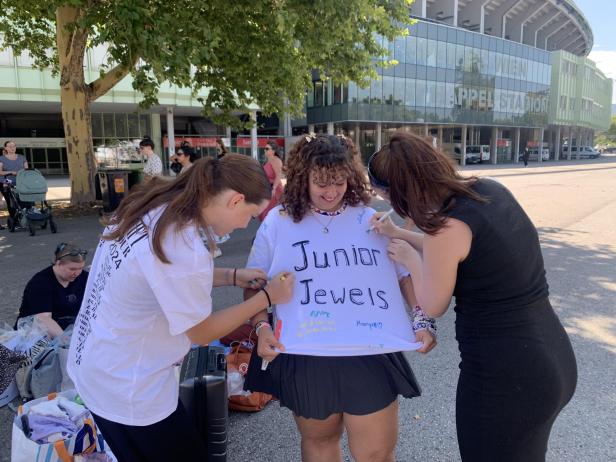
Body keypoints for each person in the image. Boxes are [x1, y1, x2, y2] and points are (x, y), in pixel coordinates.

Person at [66, 154, 295, 461]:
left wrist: (231, 276)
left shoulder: (155, 205)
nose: (245, 225)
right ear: (235, 200)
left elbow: (158, 280)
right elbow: (201, 332)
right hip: (131, 388)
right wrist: (267, 298)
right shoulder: (182, 245)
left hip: (99, 367)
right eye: (250, 215)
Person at [367, 131, 577, 462]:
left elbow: (433, 302)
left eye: (384, 195)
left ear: (401, 192)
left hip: (506, 376)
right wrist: (400, 234)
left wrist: (409, 260)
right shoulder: (487, 191)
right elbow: (461, 250)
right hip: (551, 357)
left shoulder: (444, 226)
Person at [244, 134, 436, 462]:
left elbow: (403, 275)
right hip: (308, 354)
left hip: (370, 351)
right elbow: (254, 283)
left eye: (339, 181)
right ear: (304, 178)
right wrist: (261, 327)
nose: (331, 192)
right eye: (321, 183)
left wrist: (422, 318)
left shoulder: (370, 219)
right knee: (320, 444)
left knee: (376, 453)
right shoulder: (278, 222)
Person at [15, 243, 88, 338]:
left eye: (81, 268)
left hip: (71, 329)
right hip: (34, 335)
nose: (77, 273)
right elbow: (43, 319)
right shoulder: (40, 283)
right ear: (58, 263)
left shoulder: (84, 277)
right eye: (72, 269)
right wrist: (66, 341)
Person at [0, 140, 29, 229]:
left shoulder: (22, 157)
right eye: (9, 146)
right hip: (6, 181)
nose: (12, 148)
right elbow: (0, 172)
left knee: (24, 201)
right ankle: (14, 220)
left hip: (20, 182)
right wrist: (12, 172)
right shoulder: (1, 158)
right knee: (11, 202)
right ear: (5, 148)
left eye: (14, 146)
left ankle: (25, 218)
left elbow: (26, 170)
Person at [257, 140, 284, 222]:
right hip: (267, 188)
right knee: (264, 212)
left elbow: (278, 175)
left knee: (268, 213)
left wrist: (274, 189)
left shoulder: (276, 160)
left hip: (273, 189)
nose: (265, 150)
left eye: (267, 148)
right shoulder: (268, 160)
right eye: (265, 148)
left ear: (273, 150)